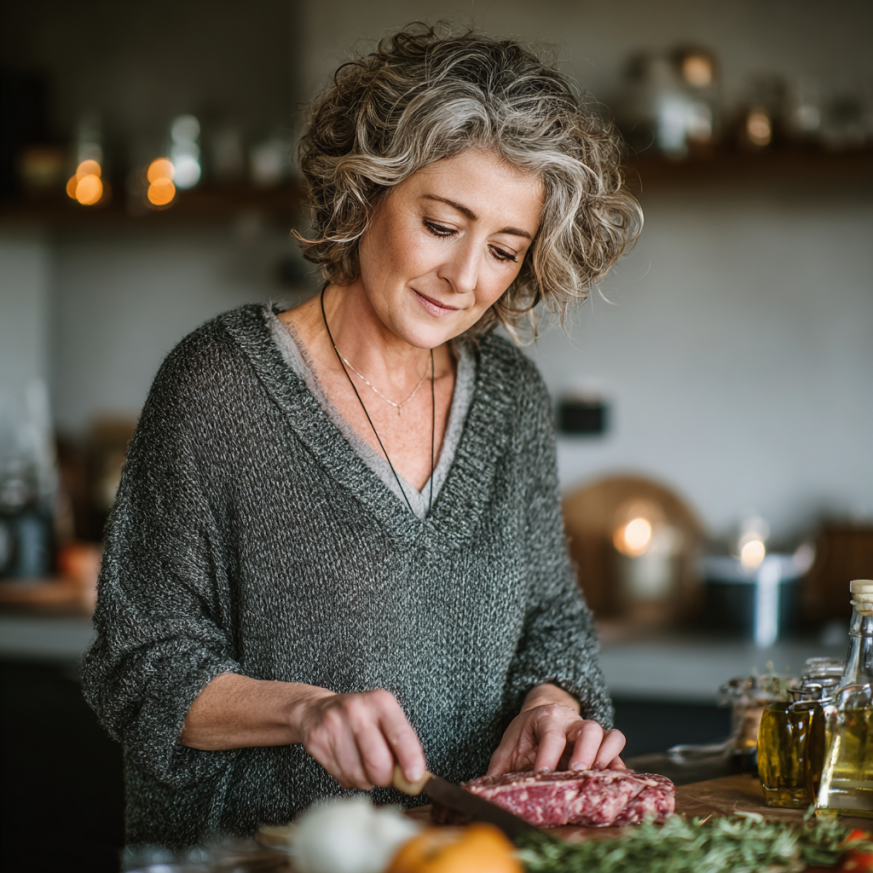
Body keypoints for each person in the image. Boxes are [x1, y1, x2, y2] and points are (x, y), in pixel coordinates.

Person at [82, 23, 642, 849]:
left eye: (503, 249)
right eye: (443, 225)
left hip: (464, 856)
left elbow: (551, 618)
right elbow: (140, 664)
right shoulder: (218, 385)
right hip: (261, 858)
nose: (466, 278)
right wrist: (305, 712)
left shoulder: (511, 395)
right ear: (367, 187)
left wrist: (550, 703)